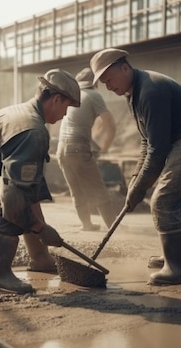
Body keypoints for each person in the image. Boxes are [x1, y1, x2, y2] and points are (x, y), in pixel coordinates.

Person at [90, 48, 181, 286]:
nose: (108, 86)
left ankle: (177, 270)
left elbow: (157, 152)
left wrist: (140, 188)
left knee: (163, 200)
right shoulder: (134, 94)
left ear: (125, 68)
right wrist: (136, 179)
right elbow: (147, 141)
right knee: (176, 200)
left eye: (109, 79)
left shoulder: (150, 90)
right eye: (104, 83)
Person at [0, 69, 81, 294]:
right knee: (11, 202)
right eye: (66, 107)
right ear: (56, 99)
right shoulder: (32, 130)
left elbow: (30, 189)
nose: (65, 115)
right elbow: (13, 198)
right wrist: (40, 228)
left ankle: (39, 259)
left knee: (23, 191)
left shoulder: (25, 114)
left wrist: (42, 247)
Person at [56, 67, 120, 231]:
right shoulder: (94, 95)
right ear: (95, 83)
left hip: (62, 149)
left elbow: (80, 127)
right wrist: (104, 148)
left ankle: (87, 224)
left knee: (77, 190)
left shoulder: (73, 97)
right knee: (99, 190)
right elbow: (110, 126)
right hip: (77, 148)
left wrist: (95, 146)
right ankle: (112, 228)